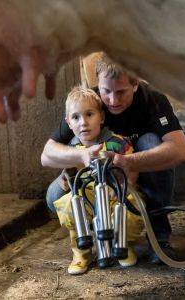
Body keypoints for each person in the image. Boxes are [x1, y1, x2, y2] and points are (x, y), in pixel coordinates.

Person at [41, 53, 185, 264]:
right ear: (98, 85)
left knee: (150, 141)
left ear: (136, 84)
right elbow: (46, 155)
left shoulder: (153, 100)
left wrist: (129, 162)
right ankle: (98, 238)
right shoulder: (89, 103)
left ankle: (159, 238)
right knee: (53, 196)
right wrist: (82, 155)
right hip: (94, 182)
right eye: (106, 91)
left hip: (133, 180)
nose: (112, 100)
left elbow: (182, 151)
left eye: (121, 92)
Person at [51, 85, 144, 275]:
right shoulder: (71, 150)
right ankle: (82, 252)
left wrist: (125, 186)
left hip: (114, 194)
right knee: (69, 205)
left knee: (132, 209)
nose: (83, 122)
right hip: (87, 195)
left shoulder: (118, 142)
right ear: (68, 123)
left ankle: (123, 245)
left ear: (101, 117)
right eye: (76, 117)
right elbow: (66, 174)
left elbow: (132, 169)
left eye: (89, 114)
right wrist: (64, 178)